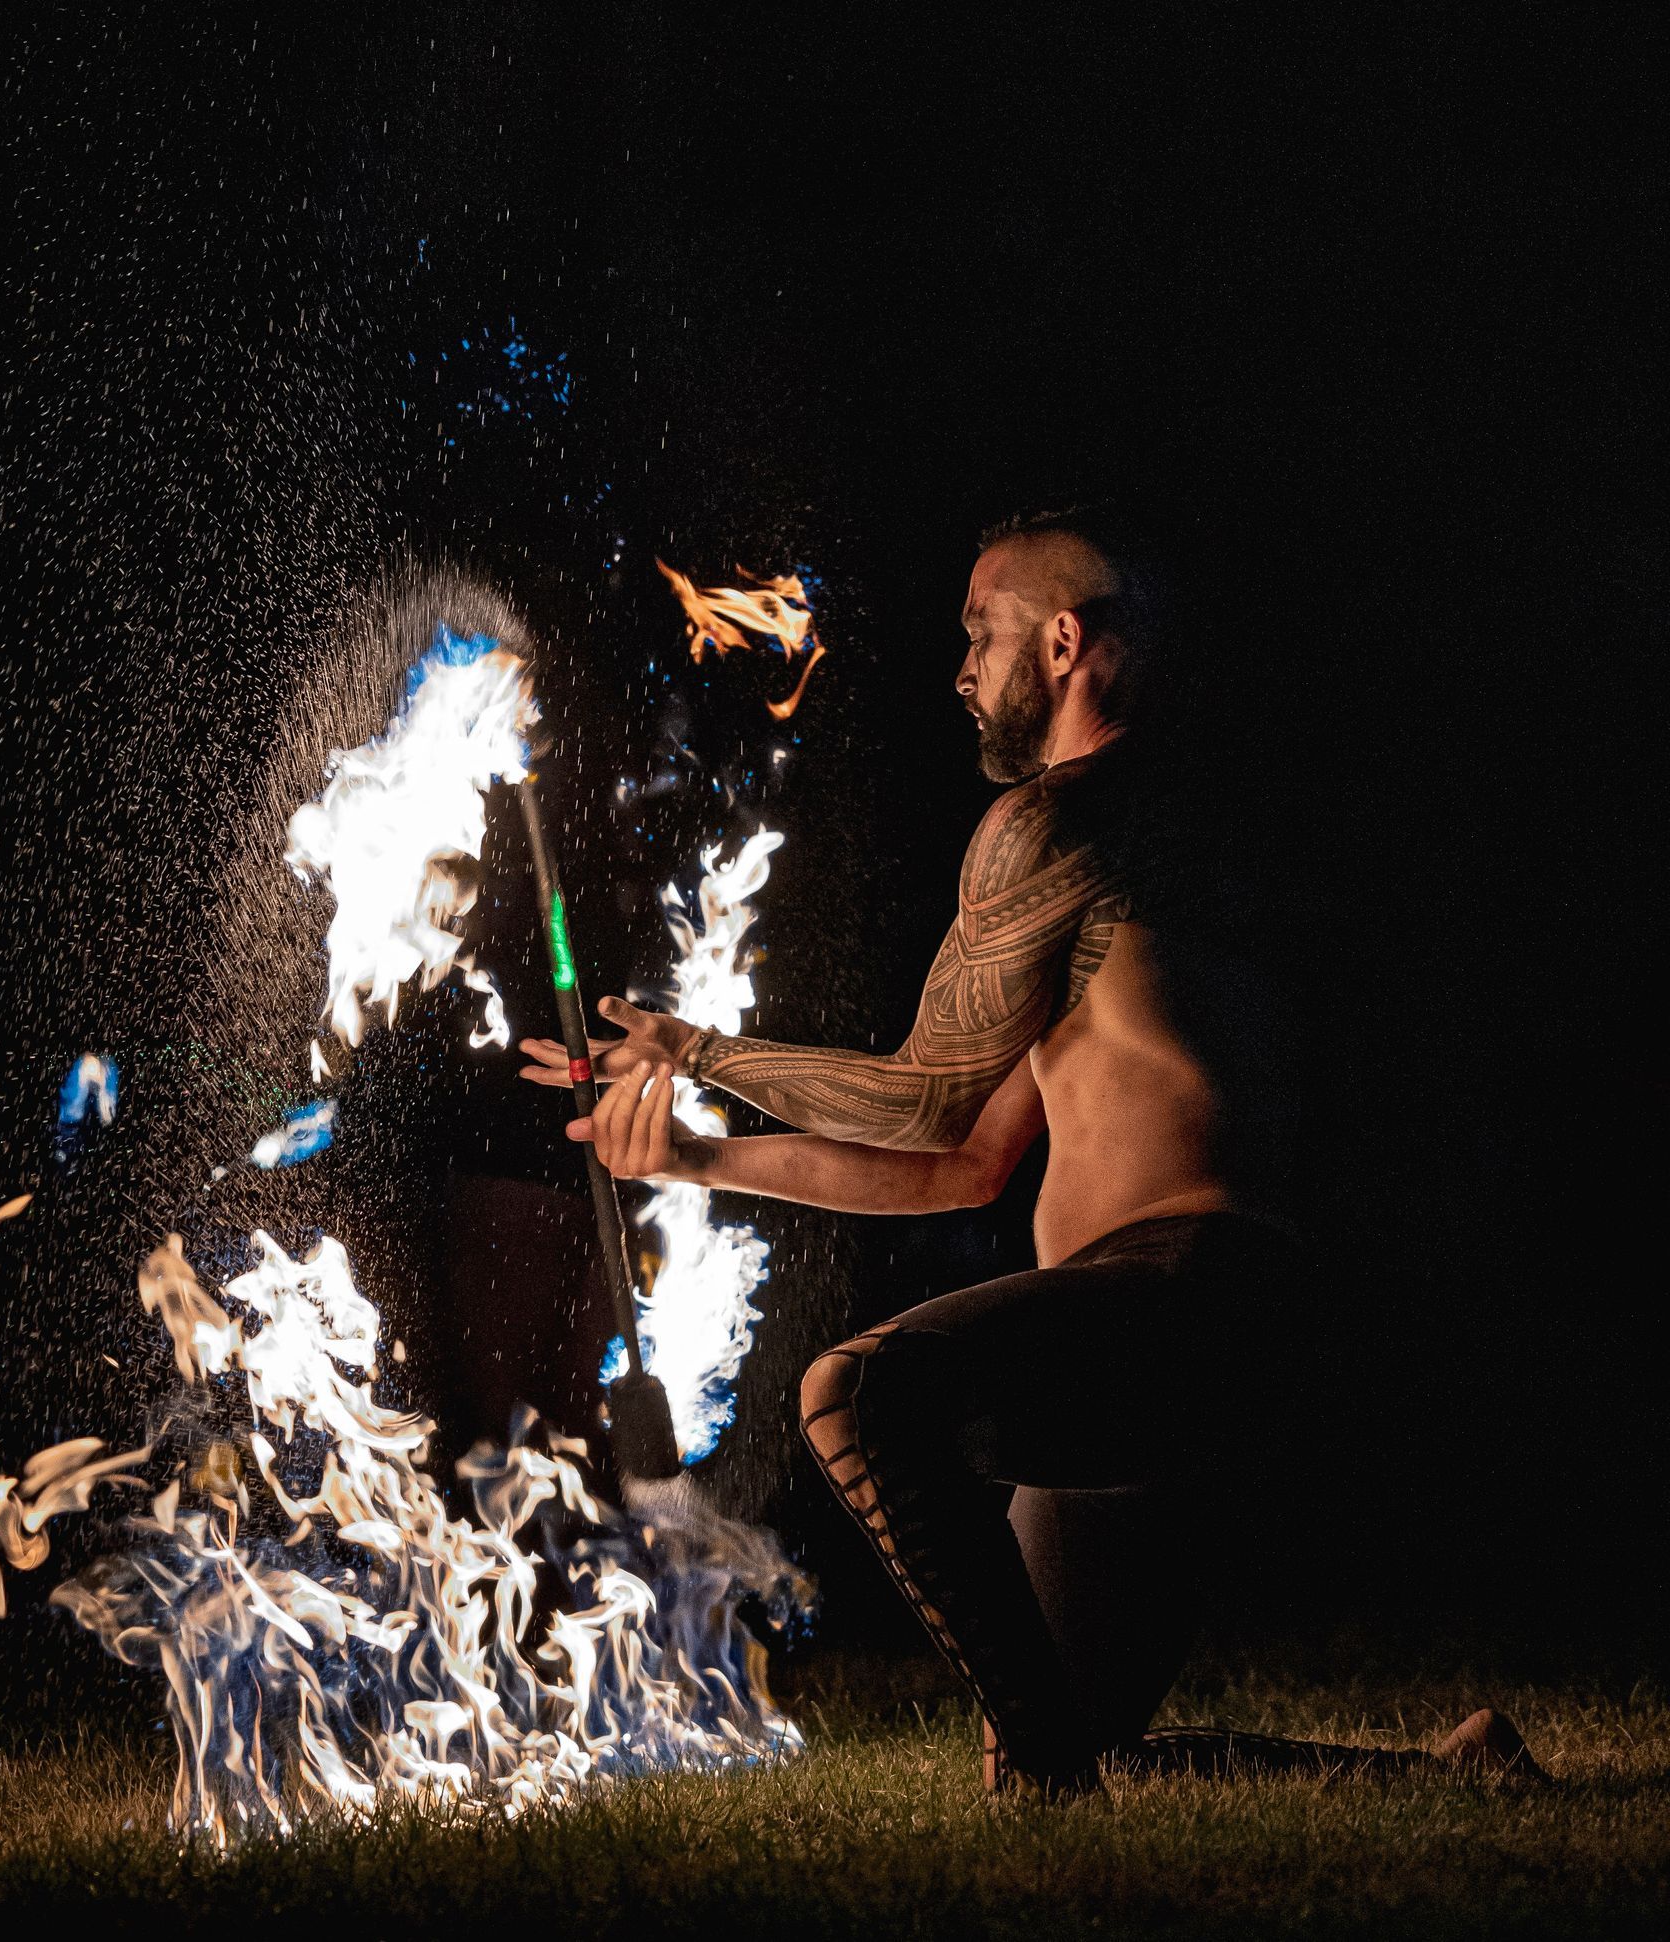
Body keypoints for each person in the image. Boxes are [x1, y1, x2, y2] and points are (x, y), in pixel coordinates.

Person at [520, 508, 1539, 1798]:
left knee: (858, 1395)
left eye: (981, 634)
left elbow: (923, 1102)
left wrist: (697, 1050)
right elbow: (964, 1165)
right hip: (1179, 1334)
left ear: (1063, 643)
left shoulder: (1061, 822)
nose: (961, 672)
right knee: (1073, 1736)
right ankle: (1455, 1777)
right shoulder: (1167, 830)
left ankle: (1051, 1782)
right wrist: (699, 1161)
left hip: (1185, 1300)